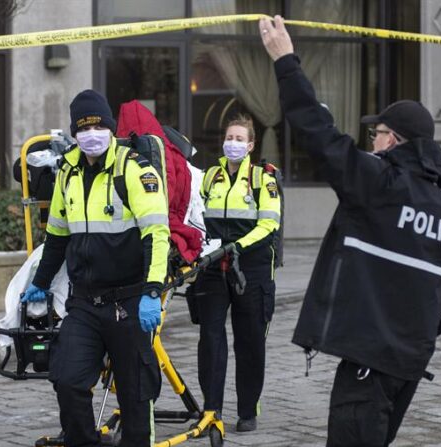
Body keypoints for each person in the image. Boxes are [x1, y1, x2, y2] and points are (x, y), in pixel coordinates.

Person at [259, 16, 441, 447]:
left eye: (375, 134)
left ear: (392, 140)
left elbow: (318, 135)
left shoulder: (377, 183)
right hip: (405, 365)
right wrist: (410, 330)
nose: (370, 142)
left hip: (368, 364)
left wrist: (285, 61)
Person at [21, 89, 170, 447]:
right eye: (84, 128)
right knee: (67, 378)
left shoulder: (133, 169)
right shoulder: (68, 173)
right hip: (85, 302)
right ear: (74, 132)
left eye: (98, 126)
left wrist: (152, 290)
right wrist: (40, 282)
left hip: (130, 301)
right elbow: (57, 237)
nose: (91, 134)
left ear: (110, 127)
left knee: (135, 396)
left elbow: (156, 233)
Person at [194, 114, 282, 432]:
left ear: (251, 145)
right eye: (229, 138)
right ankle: (211, 410)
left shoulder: (263, 180)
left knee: (250, 342)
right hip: (214, 268)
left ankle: (247, 410)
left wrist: (237, 247)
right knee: (211, 339)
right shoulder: (210, 177)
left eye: (239, 139)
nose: (233, 143)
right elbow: (197, 216)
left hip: (252, 269)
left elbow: (269, 224)